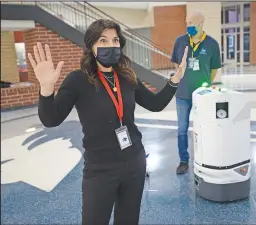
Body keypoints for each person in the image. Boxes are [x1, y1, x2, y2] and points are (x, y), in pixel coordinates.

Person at [27, 19, 188, 225]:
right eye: (103, 40)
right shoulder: (78, 80)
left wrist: (175, 80)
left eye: (114, 40)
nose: (110, 45)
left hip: (134, 162)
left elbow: (155, 104)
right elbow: (51, 119)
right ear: (91, 46)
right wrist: (46, 88)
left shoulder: (128, 77)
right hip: (100, 169)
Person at [171, 11, 221, 175]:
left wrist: (204, 83)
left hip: (203, 96)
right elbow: (176, 65)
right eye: (187, 22)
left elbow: (214, 70)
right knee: (182, 129)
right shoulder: (180, 41)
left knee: (205, 128)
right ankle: (184, 160)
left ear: (201, 22)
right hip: (182, 94)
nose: (188, 26)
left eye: (191, 22)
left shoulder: (212, 44)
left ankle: (206, 157)